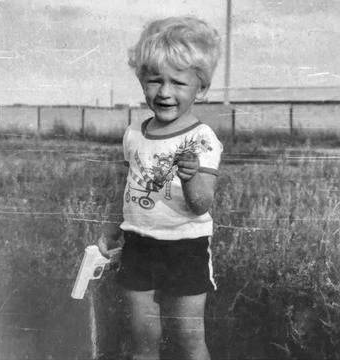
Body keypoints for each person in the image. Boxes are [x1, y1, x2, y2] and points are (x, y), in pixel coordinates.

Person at [99, 16, 223, 360]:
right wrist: (111, 234)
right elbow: (126, 190)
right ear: (142, 83)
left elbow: (201, 204)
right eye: (155, 81)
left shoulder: (202, 139)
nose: (165, 93)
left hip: (186, 248)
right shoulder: (134, 133)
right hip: (139, 244)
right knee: (143, 338)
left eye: (178, 83)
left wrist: (189, 177)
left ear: (201, 87)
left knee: (189, 339)